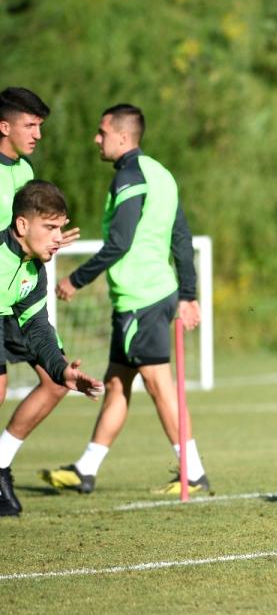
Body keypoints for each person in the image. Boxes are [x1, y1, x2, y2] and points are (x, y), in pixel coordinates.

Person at [44, 104, 208, 496]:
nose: (96, 139)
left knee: (159, 386)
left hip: (141, 300)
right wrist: (187, 294)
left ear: (122, 136)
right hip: (153, 295)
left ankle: (194, 473)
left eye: (101, 132)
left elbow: (120, 242)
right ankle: (86, 469)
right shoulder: (161, 174)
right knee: (117, 383)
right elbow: (181, 237)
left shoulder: (129, 177)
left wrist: (76, 279)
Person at [0, 181, 102, 515]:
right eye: (50, 227)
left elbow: (37, 327)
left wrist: (61, 370)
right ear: (22, 225)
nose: (59, 237)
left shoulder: (33, 270)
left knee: (54, 381)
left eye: (61, 227)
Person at [0, 87, 83, 495]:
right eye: (30, 125)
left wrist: (46, 239)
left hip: (19, 292)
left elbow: (28, 227)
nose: (38, 134)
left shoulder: (26, 171)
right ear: (4, 126)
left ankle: (1, 464)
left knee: (58, 378)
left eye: (40, 126)